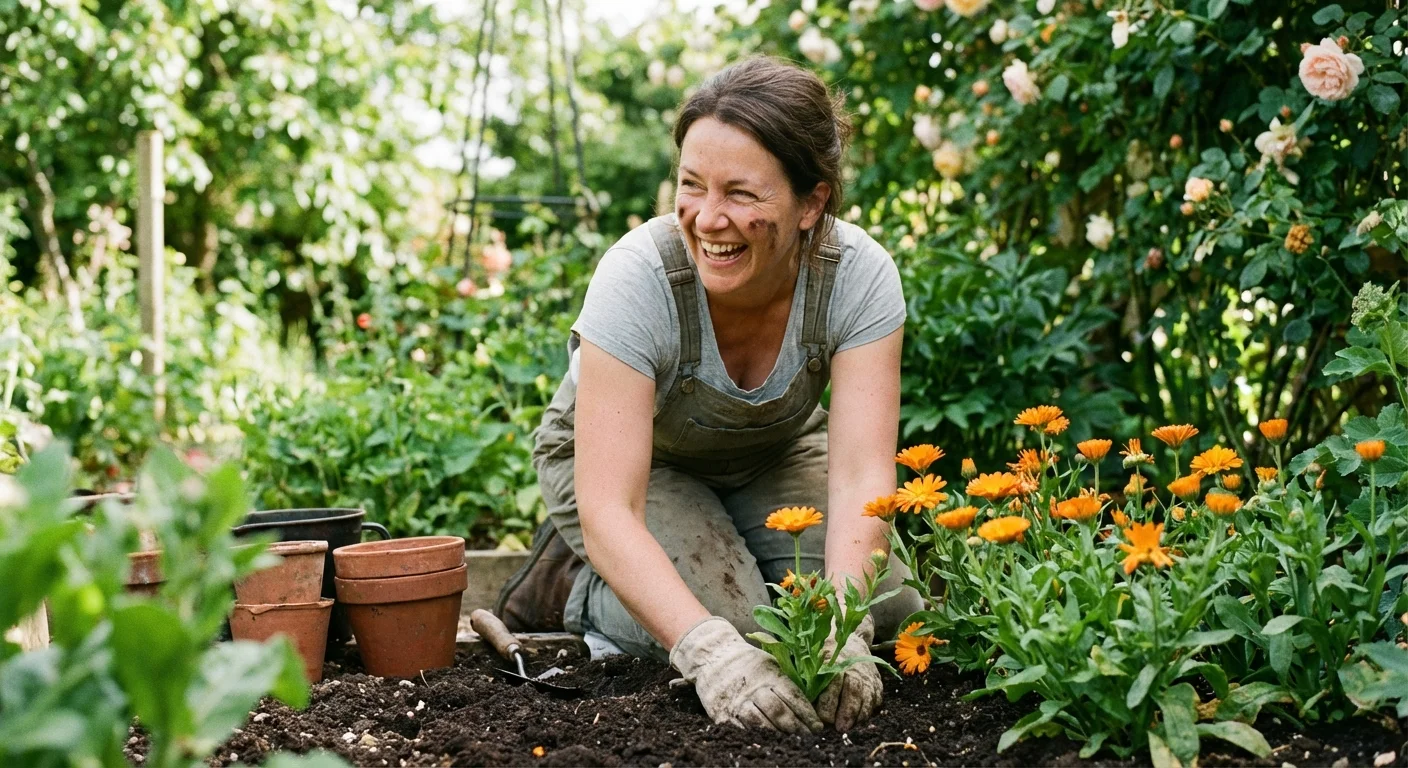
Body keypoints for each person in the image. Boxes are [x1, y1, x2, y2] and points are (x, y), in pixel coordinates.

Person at [496, 56, 921, 734]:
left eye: (742, 194)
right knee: (747, 633)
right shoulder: (639, 279)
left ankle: (708, 557)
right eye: (691, 186)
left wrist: (845, 628)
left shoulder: (857, 277)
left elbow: (860, 474)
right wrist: (707, 652)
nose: (708, 219)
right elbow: (610, 504)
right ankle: (581, 590)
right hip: (632, 471)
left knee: (894, 611)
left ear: (812, 201)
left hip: (770, 454)